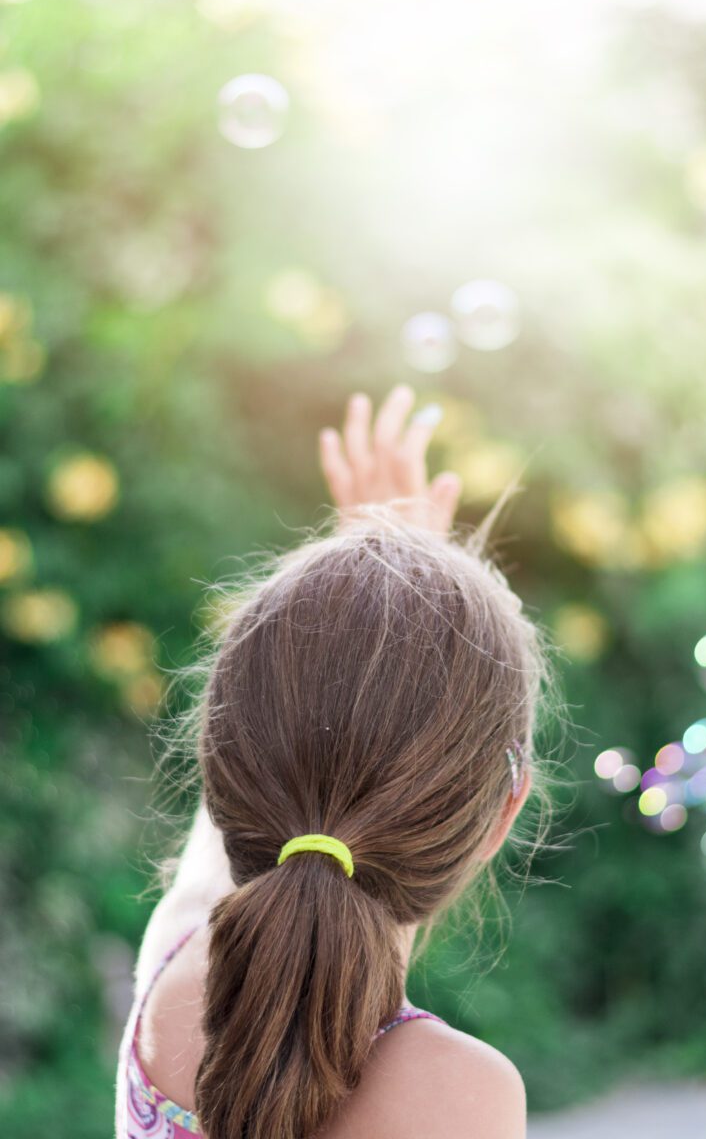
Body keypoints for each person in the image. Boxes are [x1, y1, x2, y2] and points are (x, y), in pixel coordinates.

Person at [114, 383, 553, 1139]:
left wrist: (362, 582)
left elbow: (270, 737)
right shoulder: (457, 1095)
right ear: (501, 813)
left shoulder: (174, 960)